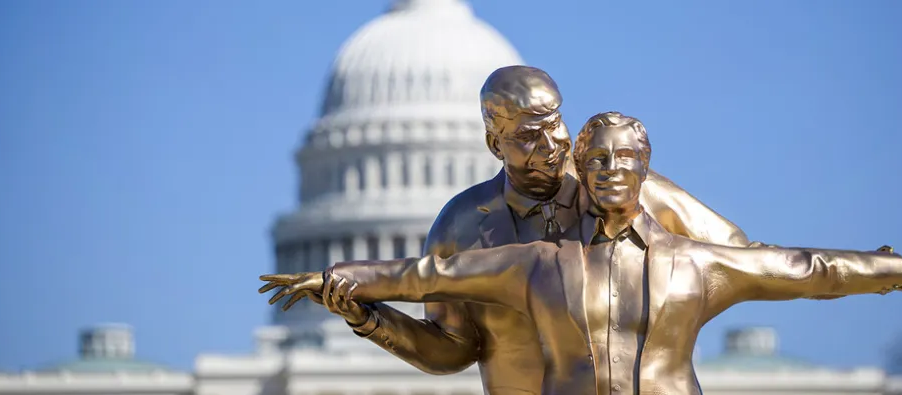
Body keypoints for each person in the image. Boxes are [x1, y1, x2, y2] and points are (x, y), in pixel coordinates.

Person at [261, 111, 902, 395]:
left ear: (646, 171)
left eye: (623, 161)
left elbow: (804, 269)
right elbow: (430, 273)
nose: (608, 172)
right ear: (581, 168)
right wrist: (339, 280)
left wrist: (897, 269)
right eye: (595, 161)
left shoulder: (697, 262)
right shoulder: (541, 262)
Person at [264, 66, 760, 394]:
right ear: (492, 141)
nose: (551, 145)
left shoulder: (627, 192)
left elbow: (738, 257)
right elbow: (452, 349)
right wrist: (369, 318)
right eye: (527, 135)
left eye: (555, 123)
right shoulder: (461, 224)